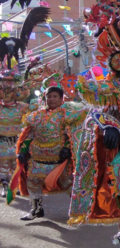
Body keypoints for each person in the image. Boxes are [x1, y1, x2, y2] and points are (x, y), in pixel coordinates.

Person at [16, 87, 74, 221]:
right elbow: (29, 135)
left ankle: (77, 211)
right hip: (38, 158)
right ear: (45, 98)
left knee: (67, 183)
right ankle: (37, 209)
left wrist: (67, 148)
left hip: (59, 159)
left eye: (55, 96)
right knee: (33, 182)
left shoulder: (67, 115)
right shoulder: (36, 115)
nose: (51, 99)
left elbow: (71, 134)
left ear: (61, 99)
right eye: (49, 96)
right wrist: (23, 151)